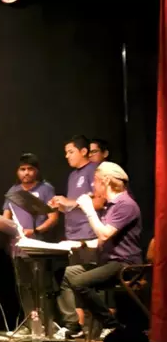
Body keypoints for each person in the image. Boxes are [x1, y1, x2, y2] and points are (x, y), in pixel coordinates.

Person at [56, 162, 142, 339]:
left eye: (95, 181)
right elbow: (104, 238)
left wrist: (88, 209)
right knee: (67, 274)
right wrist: (80, 244)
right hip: (109, 261)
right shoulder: (112, 205)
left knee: (80, 282)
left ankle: (113, 326)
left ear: (106, 181)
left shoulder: (125, 204)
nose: (93, 186)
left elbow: (104, 234)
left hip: (125, 263)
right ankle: (74, 325)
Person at [2, 154, 58, 333]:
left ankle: (47, 324)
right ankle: (30, 323)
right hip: (17, 247)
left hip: (38, 246)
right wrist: (3, 225)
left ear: (36, 171)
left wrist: (35, 230)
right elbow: (6, 217)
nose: (26, 173)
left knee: (41, 286)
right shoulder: (13, 191)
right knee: (23, 286)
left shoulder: (45, 189)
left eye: (30, 169)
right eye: (22, 169)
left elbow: (53, 217)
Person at [49, 135, 99, 329]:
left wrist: (68, 202)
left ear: (83, 151)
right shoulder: (72, 176)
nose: (67, 156)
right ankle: (78, 326)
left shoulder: (94, 170)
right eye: (66, 153)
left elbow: (98, 201)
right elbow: (73, 206)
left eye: (71, 152)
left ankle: (96, 326)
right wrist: (59, 205)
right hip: (73, 235)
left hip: (88, 235)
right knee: (71, 281)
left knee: (89, 282)